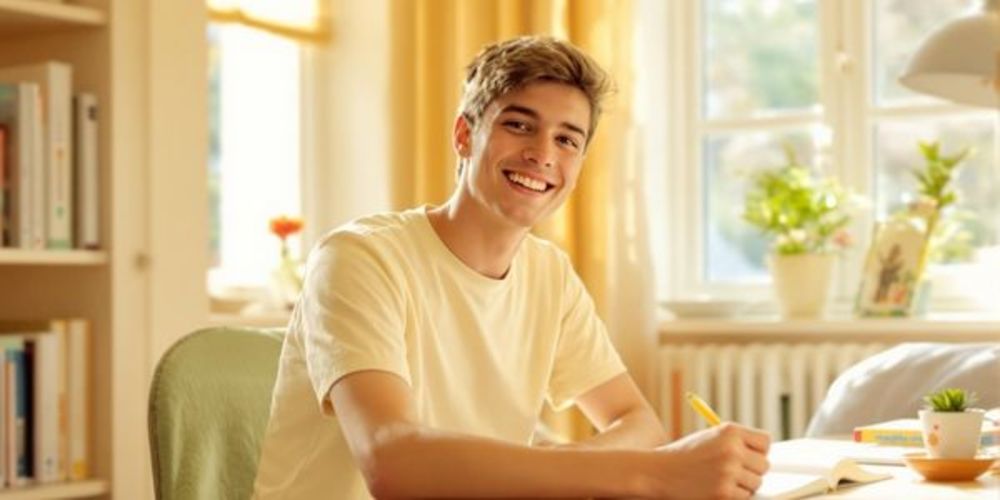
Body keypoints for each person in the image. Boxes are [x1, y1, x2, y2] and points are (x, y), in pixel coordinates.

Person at [253, 35, 770, 499]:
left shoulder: (548, 274)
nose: (542, 154)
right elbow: (393, 462)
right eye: (519, 125)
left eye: (567, 139)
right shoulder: (360, 257)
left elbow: (637, 422)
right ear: (464, 135)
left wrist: (553, 469)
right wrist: (654, 474)